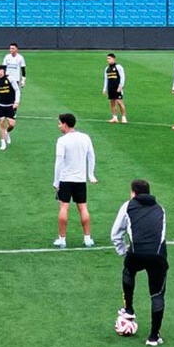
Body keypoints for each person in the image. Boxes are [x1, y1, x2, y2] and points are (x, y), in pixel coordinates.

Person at [110, 179, 168, 347]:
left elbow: (115, 233)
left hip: (136, 253)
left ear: (134, 193)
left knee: (128, 270)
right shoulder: (160, 209)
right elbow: (161, 234)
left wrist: (123, 252)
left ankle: (129, 309)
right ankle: (153, 337)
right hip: (158, 256)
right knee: (157, 295)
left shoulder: (128, 206)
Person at [52, 113, 97, 249]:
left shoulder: (62, 140)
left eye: (60, 123)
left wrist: (56, 181)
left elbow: (59, 161)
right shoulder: (85, 137)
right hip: (80, 180)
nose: (59, 126)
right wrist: (91, 175)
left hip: (66, 179)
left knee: (64, 207)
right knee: (83, 207)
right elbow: (91, 156)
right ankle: (88, 238)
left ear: (65, 124)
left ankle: (62, 239)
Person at [0, 65, 21, 151]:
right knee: (1, 122)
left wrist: (16, 102)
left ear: (2, 71)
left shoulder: (10, 79)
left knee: (12, 124)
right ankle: (2, 142)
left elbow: (17, 90)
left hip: (10, 105)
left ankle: (7, 132)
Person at [103, 53, 128, 124]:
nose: (108, 60)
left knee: (119, 102)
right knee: (112, 103)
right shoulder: (106, 68)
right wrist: (105, 89)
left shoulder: (118, 67)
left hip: (117, 88)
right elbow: (106, 79)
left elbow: (123, 77)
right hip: (110, 88)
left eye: (109, 58)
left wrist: (121, 86)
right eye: (107, 58)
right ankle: (114, 118)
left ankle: (124, 117)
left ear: (113, 59)